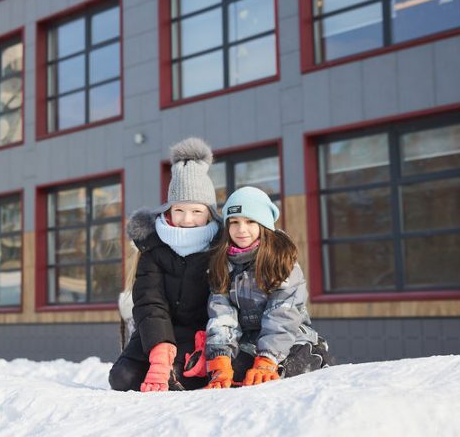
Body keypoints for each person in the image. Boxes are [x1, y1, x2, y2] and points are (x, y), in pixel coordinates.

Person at [109, 137, 221, 392]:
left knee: (182, 379)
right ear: (169, 210)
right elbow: (149, 300)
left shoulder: (219, 248)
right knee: (122, 378)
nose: (187, 219)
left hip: (199, 337)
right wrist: (159, 350)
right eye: (179, 210)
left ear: (209, 212)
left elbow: (222, 301)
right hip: (156, 331)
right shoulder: (154, 247)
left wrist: (208, 343)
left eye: (196, 211)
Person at [203, 186, 332, 388]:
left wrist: (268, 359)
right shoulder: (222, 263)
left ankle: (316, 358)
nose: (241, 229)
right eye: (234, 222)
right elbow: (221, 315)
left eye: (250, 221)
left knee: (285, 373)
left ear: (264, 224)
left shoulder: (281, 261)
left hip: (290, 339)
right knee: (235, 376)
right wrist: (221, 357)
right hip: (248, 342)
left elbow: (282, 315)